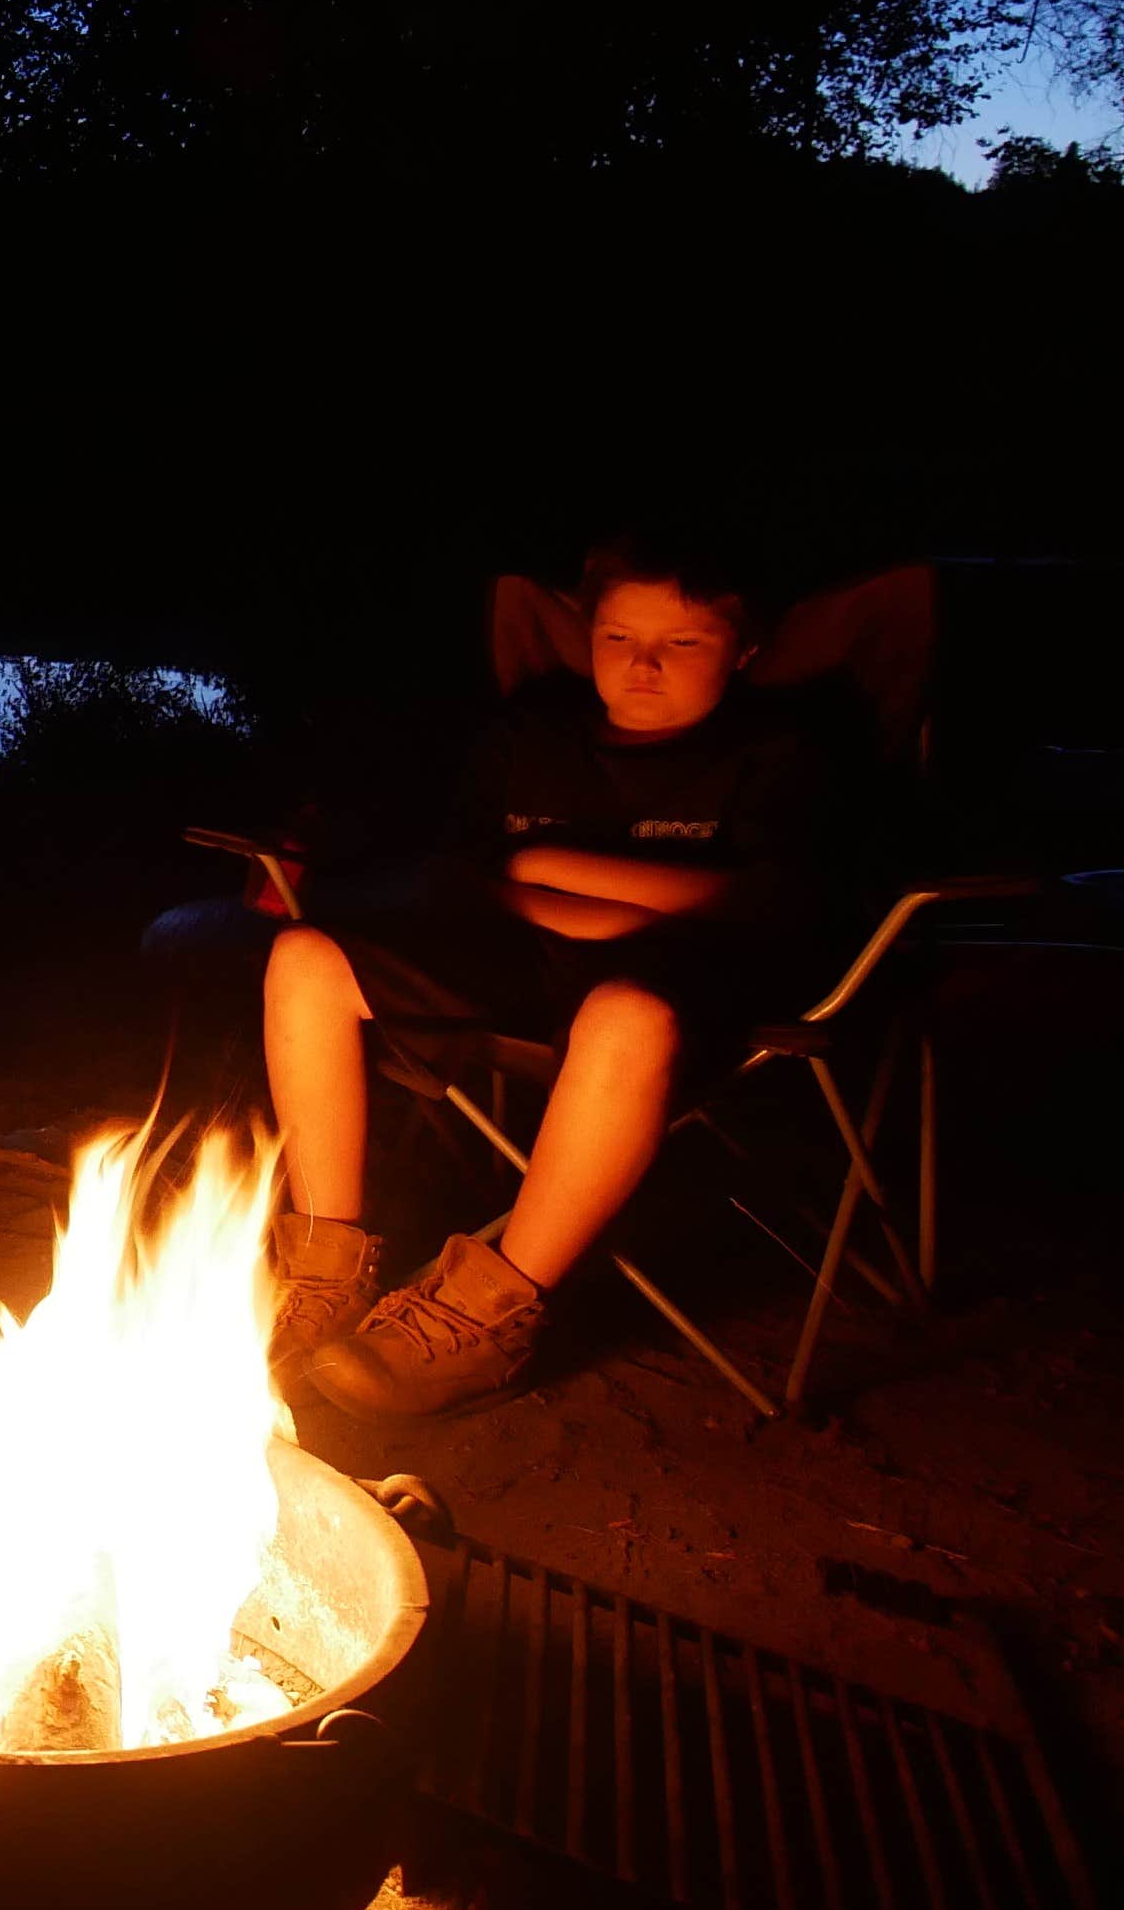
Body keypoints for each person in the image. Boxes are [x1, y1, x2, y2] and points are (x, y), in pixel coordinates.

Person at [262, 536, 838, 1416]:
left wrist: (542, 864)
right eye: (617, 640)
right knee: (305, 958)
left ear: (745, 651)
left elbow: (747, 902)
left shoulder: (778, 754)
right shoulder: (532, 735)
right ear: (590, 638)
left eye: (681, 645)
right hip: (520, 958)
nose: (643, 666)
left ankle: (483, 1317)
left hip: (683, 990)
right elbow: (464, 877)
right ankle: (323, 1269)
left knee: (627, 1012)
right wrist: (583, 894)